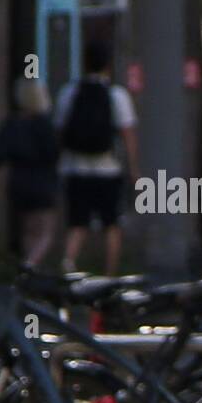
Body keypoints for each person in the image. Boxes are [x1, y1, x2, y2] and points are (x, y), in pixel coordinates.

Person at [54, 39, 139, 275]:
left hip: (74, 168)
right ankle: (109, 274)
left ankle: (68, 264)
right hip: (107, 169)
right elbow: (128, 134)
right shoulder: (116, 95)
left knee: (77, 223)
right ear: (108, 65)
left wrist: (58, 161)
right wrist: (133, 168)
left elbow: (60, 132)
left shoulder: (69, 93)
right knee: (111, 224)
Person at [0, 79, 60, 266]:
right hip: (42, 183)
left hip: (18, 183)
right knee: (45, 232)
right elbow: (54, 153)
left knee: (28, 232)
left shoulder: (12, 123)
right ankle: (29, 266)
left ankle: (28, 276)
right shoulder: (44, 124)